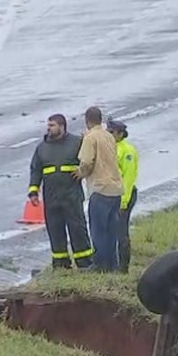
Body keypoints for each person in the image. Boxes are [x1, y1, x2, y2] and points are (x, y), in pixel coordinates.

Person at [27, 114, 95, 269]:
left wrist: (82, 171)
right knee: (55, 229)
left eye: (52, 125)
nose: (48, 128)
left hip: (71, 195)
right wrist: (33, 191)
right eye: (48, 125)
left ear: (62, 126)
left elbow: (89, 160)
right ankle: (60, 263)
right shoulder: (42, 147)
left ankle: (84, 262)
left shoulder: (77, 143)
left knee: (77, 228)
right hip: (51, 196)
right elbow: (35, 170)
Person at [73, 106, 124, 272]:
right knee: (111, 231)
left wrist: (80, 173)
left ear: (87, 120)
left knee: (98, 230)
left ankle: (100, 265)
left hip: (100, 189)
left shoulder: (90, 138)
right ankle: (113, 266)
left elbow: (87, 161)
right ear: (100, 120)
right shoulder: (109, 136)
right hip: (115, 189)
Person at [107, 119, 139, 274]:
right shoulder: (110, 148)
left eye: (112, 132)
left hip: (124, 196)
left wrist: (124, 201)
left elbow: (128, 178)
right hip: (110, 195)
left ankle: (123, 268)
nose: (109, 135)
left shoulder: (127, 151)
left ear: (120, 133)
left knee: (121, 233)